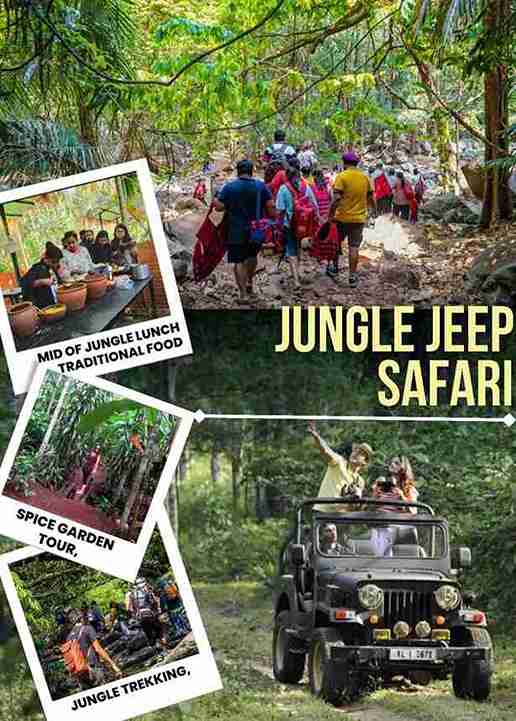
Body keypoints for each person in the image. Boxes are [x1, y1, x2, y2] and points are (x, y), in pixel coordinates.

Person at [213, 159, 275, 303]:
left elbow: (220, 207)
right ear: (251, 171)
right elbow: (271, 206)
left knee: (239, 261)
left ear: (238, 171)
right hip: (256, 230)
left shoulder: (229, 187)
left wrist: (215, 201)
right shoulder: (261, 186)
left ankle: (243, 295)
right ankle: (249, 283)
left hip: (235, 230)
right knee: (252, 256)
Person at [329, 152, 376, 287]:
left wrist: (330, 215)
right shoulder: (365, 178)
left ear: (345, 163)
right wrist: (373, 212)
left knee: (336, 243)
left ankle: (334, 268)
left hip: (341, 218)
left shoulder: (341, 176)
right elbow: (372, 198)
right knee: (354, 247)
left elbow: (337, 199)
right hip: (358, 219)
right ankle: (352, 276)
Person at [308, 421, 373, 512]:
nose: (355, 453)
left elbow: (354, 508)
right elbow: (326, 451)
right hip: (323, 513)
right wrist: (317, 437)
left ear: (365, 462)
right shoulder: (339, 462)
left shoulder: (360, 481)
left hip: (341, 518)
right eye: (355, 450)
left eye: (360, 453)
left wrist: (357, 498)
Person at [276, 166, 319, 290]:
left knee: (291, 251)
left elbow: (280, 210)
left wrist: (278, 224)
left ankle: (296, 281)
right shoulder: (305, 186)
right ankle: (298, 272)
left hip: (289, 224)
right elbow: (314, 204)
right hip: (304, 224)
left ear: (286, 177)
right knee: (298, 247)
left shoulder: (283, 189)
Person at [60, 607, 121, 690]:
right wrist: (112, 664)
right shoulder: (88, 629)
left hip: (81, 673)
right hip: (94, 668)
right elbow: (98, 649)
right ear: (80, 617)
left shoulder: (69, 637)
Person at [20, 242, 63, 308]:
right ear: (46, 258)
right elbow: (25, 283)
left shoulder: (52, 268)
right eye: (53, 262)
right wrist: (41, 281)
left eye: (57, 262)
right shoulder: (37, 268)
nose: (56, 264)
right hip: (42, 306)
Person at [371, 476, 405, 556]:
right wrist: (376, 490)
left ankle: (386, 563)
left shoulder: (397, 492)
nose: (389, 486)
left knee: (384, 550)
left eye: (391, 485)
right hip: (378, 523)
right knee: (377, 547)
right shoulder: (380, 492)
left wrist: (400, 495)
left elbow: (403, 508)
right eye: (386, 484)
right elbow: (372, 505)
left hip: (389, 524)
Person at [127, 577, 163, 647]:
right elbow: (154, 601)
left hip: (141, 617)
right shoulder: (148, 590)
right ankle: (164, 646)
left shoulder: (131, 594)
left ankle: (156, 650)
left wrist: (134, 616)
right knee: (159, 631)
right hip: (151, 614)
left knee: (149, 635)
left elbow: (129, 608)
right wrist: (158, 609)